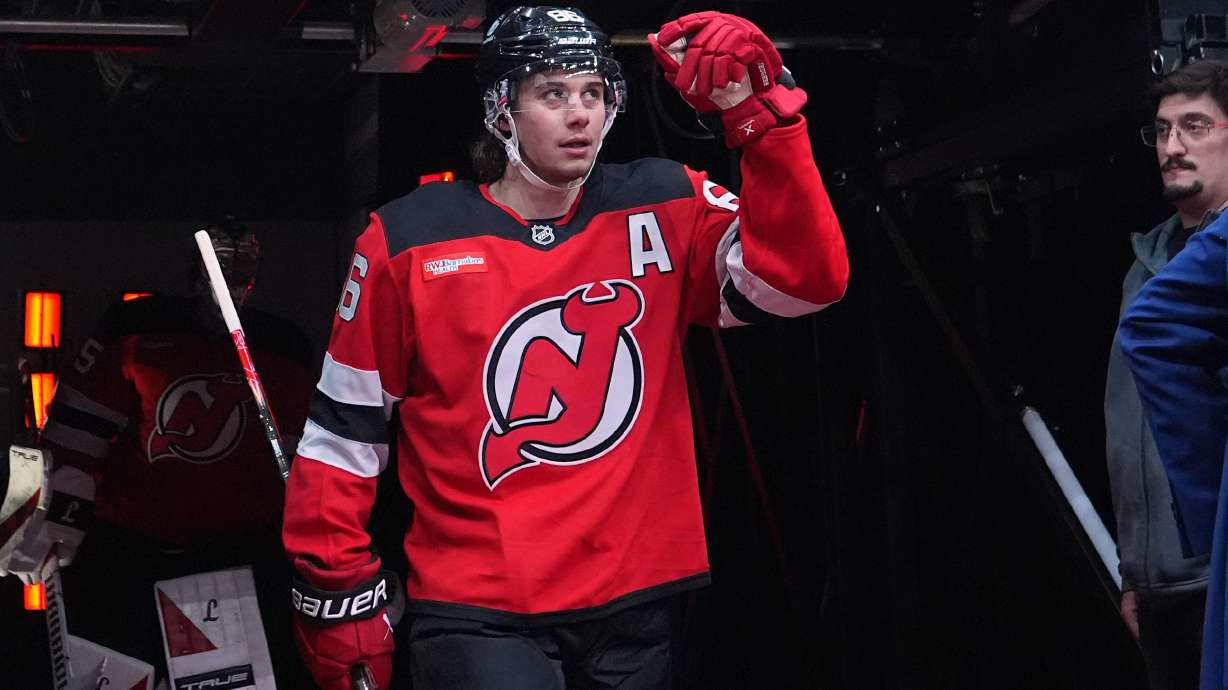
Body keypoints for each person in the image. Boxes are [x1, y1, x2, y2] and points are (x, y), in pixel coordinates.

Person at [282, 6, 848, 690]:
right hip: (478, 609)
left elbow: (804, 283)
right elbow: (345, 429)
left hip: (639, 601)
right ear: (502, 108)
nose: (580, 114)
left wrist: (761, 120)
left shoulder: (665, 202)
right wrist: (335, 581)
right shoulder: (409, 239)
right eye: (552, 93)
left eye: (594, 93)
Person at [30, 218, 315, 687]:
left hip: (241, 558)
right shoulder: (136, 331)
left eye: (242, 266)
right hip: (133, 558)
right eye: (220, 265)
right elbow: (77, 433)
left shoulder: (284, 347)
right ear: (193, 270)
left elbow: (306, 456)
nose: (230, 281)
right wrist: (59, 514)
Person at [1106, 59, 1228, 690]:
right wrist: (1135, 573)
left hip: (1218, 572)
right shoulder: (1145, 265)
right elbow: (1130, 432)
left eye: (1195, 125)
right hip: (1159, 584)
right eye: (1161, 130)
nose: (1172, 147)